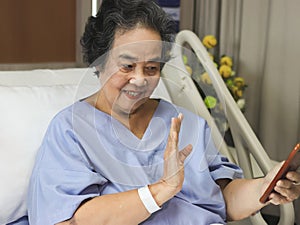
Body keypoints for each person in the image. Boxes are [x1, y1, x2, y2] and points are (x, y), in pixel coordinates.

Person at [22, 0, 300, 225]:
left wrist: (264, 187)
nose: (141, 79)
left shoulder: (186, 123)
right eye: (127, 66)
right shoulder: (71, 130)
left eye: (152, 68)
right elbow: (68, 221)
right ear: (99, 62)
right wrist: (162, 189)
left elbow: (224, 199)